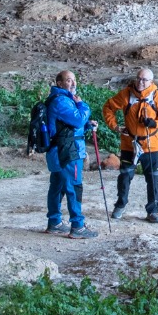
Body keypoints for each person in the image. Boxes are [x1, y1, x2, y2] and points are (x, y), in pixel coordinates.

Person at [103, 68, 158, 223]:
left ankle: (153, 212)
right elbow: (108, 108)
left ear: (151, 82)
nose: (141, 82)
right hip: (130, 144)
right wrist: (115, 126)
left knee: (153, 178)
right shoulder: (125, 95)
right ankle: (120, 205)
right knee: (125, 175)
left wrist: (156, 123)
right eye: (138, 78)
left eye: (144, 80)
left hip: (151, 144)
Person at [42, 70, 94, 237]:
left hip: (58, 151)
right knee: (74, 186)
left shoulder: (60, 100)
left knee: (57, 187)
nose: (73, 83)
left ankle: (54, 222)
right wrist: (82, 105)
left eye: (74, 80)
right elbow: (78, 119)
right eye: (69, 80)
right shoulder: (62, 101)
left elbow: (69, 125)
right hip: (68, 152)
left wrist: (87, 126)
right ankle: (78, 226)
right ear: (59, 83)